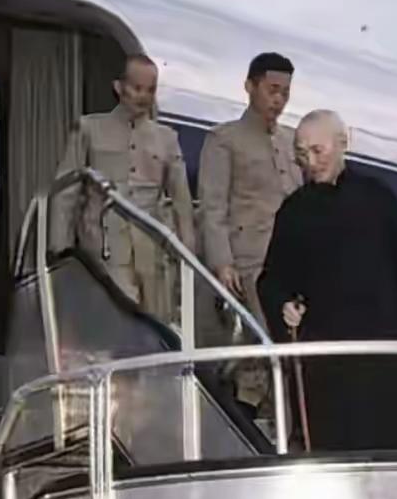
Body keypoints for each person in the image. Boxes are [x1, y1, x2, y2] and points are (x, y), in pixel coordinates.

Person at [257, 109, 397, 452]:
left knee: (389, 453)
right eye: (301, 153)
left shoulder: (377, 198)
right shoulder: (294, 210)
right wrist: (283, 304)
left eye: (318, 150)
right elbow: (271, 280)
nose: (310, 162)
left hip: (381, 359)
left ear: (343, 143)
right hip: (325, 363)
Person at [50, 53, 195, 326]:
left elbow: (182, 201)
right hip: (103, 249)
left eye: (150, 90)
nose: (143, 96)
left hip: (152, 250)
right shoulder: (89, 128)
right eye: (137, 88)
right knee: (109, 323)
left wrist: (187, 253)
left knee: (154, 325)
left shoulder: (166, 139)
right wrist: (60, 250)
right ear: (119, 87)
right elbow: (66, 193)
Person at [198, 52, 302, 417]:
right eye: (272, 90)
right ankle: (255, 413)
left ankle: (276, 416)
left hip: (293, 261)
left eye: (285, 92)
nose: (279, 100)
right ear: (249, 86)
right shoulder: (224, 139)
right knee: (268, 341)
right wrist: (222, 262)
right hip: (251, 260)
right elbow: (212, 206)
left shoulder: (292, 141)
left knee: (291, 345)